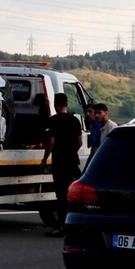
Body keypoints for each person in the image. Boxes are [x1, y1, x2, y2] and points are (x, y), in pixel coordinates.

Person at [40, 93, 82, 237]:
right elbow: (80, 142)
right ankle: (74, 224)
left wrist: (44, 160)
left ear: (56, 104)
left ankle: (61, 226)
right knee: (73, 193)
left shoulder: (53, 120)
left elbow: (51, 142)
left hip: (60, 162)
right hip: (72, 161)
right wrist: (71, 152)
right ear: (67, 104)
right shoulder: (75, 120)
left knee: (61, 195)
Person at [83, 104, 101, 171]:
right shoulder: (93, 127)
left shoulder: (98, 126)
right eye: (86, 112)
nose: (87, 114)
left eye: (90, 111)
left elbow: (95, 149)